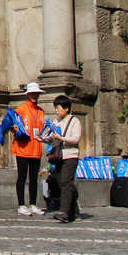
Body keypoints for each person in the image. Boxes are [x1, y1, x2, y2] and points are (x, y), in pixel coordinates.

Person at [12, 81, 47, 216]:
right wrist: (14, 128)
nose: (34, 96)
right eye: (32, 93)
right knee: (22, 176)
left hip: (35, 148)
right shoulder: (21, 109)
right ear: (28, 94)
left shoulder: (41, 111)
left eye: (36, 94)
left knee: (34, 178)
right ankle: (21, 204)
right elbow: (12, 125)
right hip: (22, 148)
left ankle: (33, 204)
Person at [47, 95, 81, 223]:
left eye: (58, 108)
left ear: (66, 108)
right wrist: (43, 139)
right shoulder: (57, 121)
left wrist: (62, 139)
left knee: (66, 182)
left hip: (71, 155)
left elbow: (76, 139)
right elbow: (51, 136)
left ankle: (65, 212)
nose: (56, 110)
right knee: (62, 182)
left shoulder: (74, 121)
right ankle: (74, 210)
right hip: (60, 156)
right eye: (55, 108)